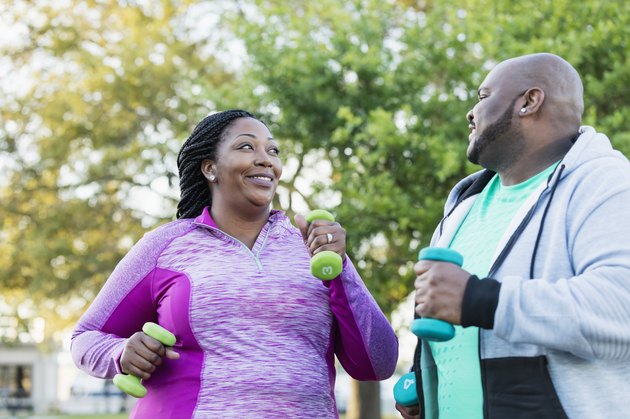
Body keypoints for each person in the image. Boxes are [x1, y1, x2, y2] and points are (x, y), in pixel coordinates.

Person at [71, 109, 398, 418]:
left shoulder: (315, 244)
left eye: (273, 151)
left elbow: (379, 363)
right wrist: (121, 354)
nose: (265, 160)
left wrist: (341, 272)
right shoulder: (164, 246)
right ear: (210, 168)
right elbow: (86, 338)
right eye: (246, 147)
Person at [396, 53, 630, 419]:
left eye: (483, 96)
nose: (471, 113)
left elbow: (621, 309)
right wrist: (425, 382)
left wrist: (479, 298)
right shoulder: (464, 206)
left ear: (528, 101)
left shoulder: (606, 183)